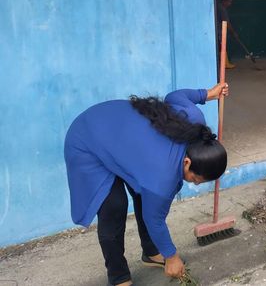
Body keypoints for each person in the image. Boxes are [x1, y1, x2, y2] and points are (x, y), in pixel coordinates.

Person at [64, 83, 229, 286]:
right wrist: (171, 256)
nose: (195, 184)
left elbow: (175, 96)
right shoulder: (162, 178)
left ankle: (151, 252)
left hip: (119, 137)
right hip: (88, 140)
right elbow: (155, 220)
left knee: (145, 196)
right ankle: (118, 276)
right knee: (113, 207)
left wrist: (206, 95)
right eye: (196, 179)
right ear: (187, 162)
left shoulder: (195, 126)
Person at [216, 0, 238, 69]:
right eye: (229, 2)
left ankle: (225, 63)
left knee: (220, 47)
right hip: (218, 32)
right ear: (224, 1)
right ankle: (225, 64)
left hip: (217, 31)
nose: (230, 4)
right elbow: (227, 23)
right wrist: (233, 32)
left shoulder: (218, 6)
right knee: (221, 47)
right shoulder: (222, 9)